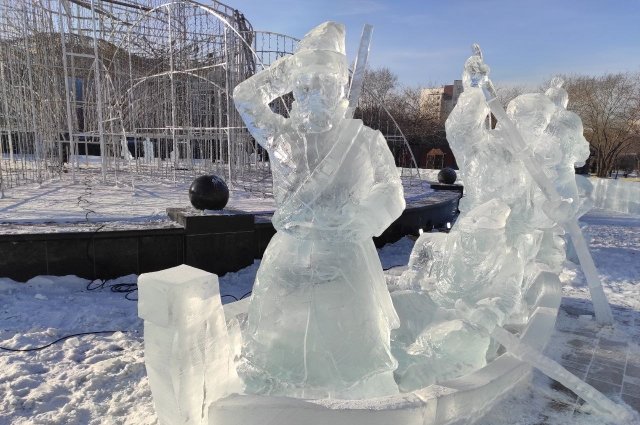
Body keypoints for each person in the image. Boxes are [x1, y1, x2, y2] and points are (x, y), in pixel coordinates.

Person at [233, 21, 405, 399]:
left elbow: (392, 189)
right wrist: (291, 67)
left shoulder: (365, 140)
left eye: (323, 83)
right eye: (304, 85)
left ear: (341, 85)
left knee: (351, 358)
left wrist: (364, 219)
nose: (313, 93)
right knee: (279, 354)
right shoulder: (282, 137)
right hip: (289, 257)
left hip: (345, 260)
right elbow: (245, 97)